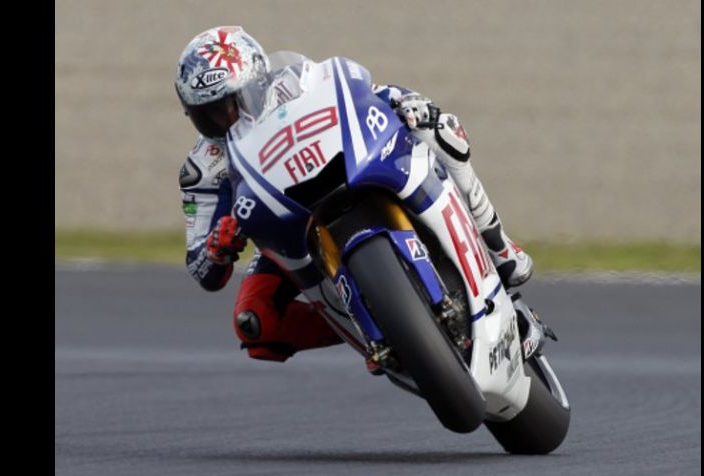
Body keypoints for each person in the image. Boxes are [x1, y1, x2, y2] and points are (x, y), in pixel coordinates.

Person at [175, 26, 533, 364]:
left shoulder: (294, 81)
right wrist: (215, 248)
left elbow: (363, 93)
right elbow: (201, 268)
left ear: (258, 78)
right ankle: (383, 333)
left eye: (234, 102)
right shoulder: (202, 169)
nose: (228, 118)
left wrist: (406, 101)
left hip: (349, 170)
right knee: (253, 321)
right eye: (211, 114)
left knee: (440, 130)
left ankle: (497, 244)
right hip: (284, 228)